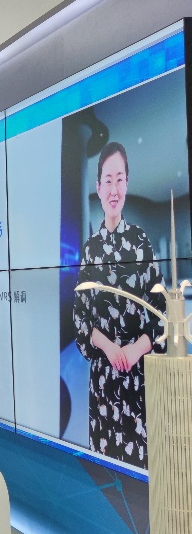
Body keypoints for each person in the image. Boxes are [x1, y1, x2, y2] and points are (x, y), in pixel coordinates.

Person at [73, 141, 164, 468]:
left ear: (127, 183)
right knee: (105, 468)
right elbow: (80, 318)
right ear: (98, 187)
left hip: (137, 377)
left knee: (140, 467)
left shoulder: (141, 242)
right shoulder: (90, 249)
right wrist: (110, 348)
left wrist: (136, 349)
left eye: (120, 179)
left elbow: (160, 311)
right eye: (108, 181)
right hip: (103, 379)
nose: (114, 189)